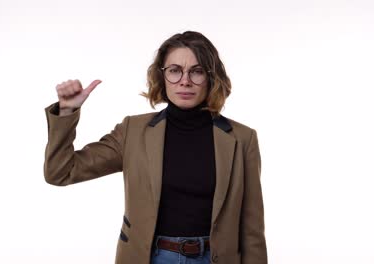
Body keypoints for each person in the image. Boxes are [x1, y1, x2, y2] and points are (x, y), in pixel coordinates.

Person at [44, 31, 267, 264]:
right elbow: (60, 172)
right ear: (162, 76)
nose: (185, 80)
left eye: (197, 71)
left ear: (212, 77)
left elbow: (252, 229)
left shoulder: (242, 139)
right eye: (174, 70)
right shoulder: (133, 131)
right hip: (151, 257)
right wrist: (67, 113)